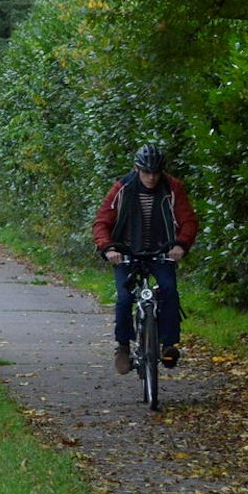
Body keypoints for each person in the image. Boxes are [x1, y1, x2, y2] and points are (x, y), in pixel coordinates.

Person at [92, 144, 199, 374]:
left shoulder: (173, 188)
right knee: (123, 299)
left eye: (156, 173)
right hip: (127, 252)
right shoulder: (122, 188)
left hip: (162, 251)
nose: (151, 177)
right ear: (137, 169)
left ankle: (168, 344)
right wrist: (109, 247)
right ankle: (122, 346)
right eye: (146, 172)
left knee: (169, 290)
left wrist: (181, 244)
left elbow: (188, 220)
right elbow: (102, 222)